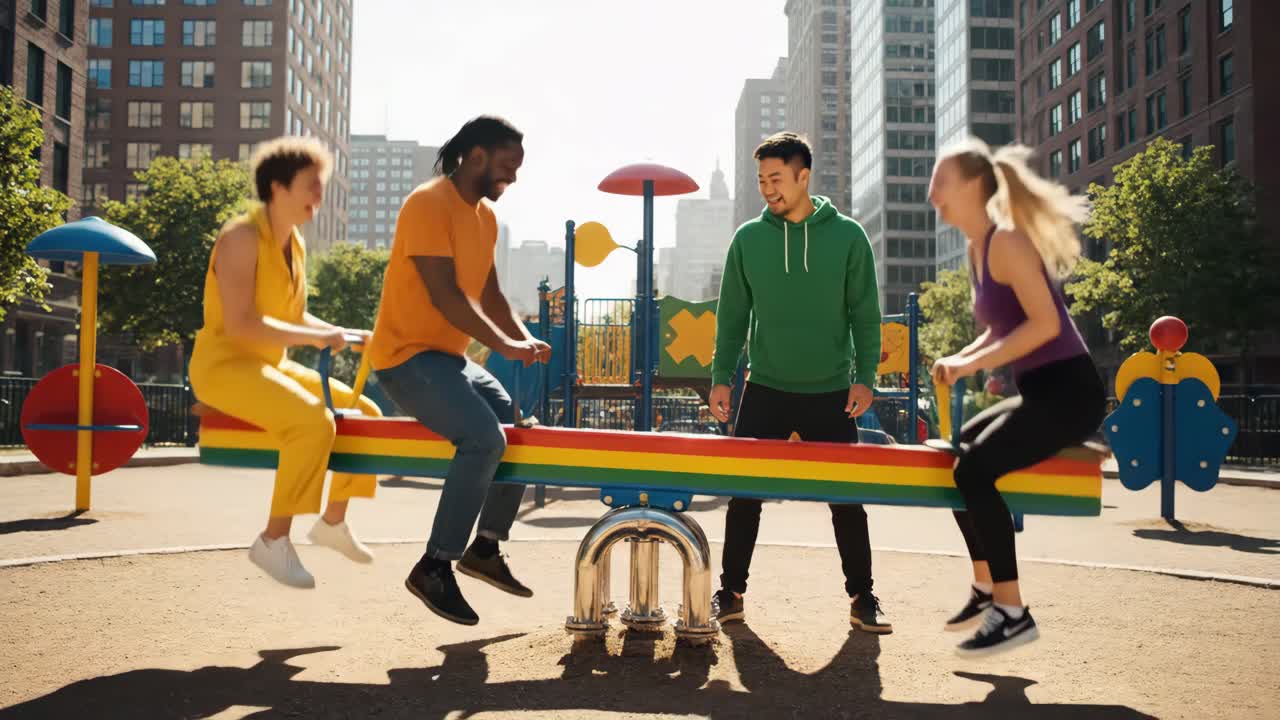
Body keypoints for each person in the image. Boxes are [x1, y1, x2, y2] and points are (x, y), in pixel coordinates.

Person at [927, 137, 1105, 656]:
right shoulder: (976, 248)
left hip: (1070, 393)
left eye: (940, 182)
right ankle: (986, 588)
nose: (932, 194)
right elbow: (1003, 326)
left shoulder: (1007, 241)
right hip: (1041, 391)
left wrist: (973, 364)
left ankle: (1012, 610)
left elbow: (1046, 325)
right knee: (957, 453)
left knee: (973, 471)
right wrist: (962, 358)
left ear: (972, 186)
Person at [369, 116, 550, 626]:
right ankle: (434, 565)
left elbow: (489, 295)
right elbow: (446, 296)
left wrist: (522, 335)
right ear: (475, 157)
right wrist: (504, 346)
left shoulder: (484, 218)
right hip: (406, 358)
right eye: (506, 166)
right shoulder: (427, 204)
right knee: (485, 439)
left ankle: (485, 548)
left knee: (520, 432)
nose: (511, 178)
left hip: (450, 361)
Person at [708, 132, 890, 634]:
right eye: (762, 179)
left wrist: (865, 378)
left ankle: (863, 596)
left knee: (846, 500)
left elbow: (865, 315)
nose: (768, 188)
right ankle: (731, 591)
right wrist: (722, 377)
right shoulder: (748, 239)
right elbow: (732, 316)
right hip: (765, 386)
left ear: (803, 176)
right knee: (745, 497)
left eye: (777, 178)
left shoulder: (848, 236)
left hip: (831, 390)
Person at [189, 137, 384, 589]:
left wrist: (350, 336)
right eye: (312, 186)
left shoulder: (293, 242)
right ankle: (273, 539)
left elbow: (294, 316)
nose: (320, 196)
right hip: (224, 367)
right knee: (313, 422)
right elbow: (241, 325)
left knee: (366, 414)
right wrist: (321, 336)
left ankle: (332, 523)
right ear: (278, 187)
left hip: (267, 364)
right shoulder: (240, 237)